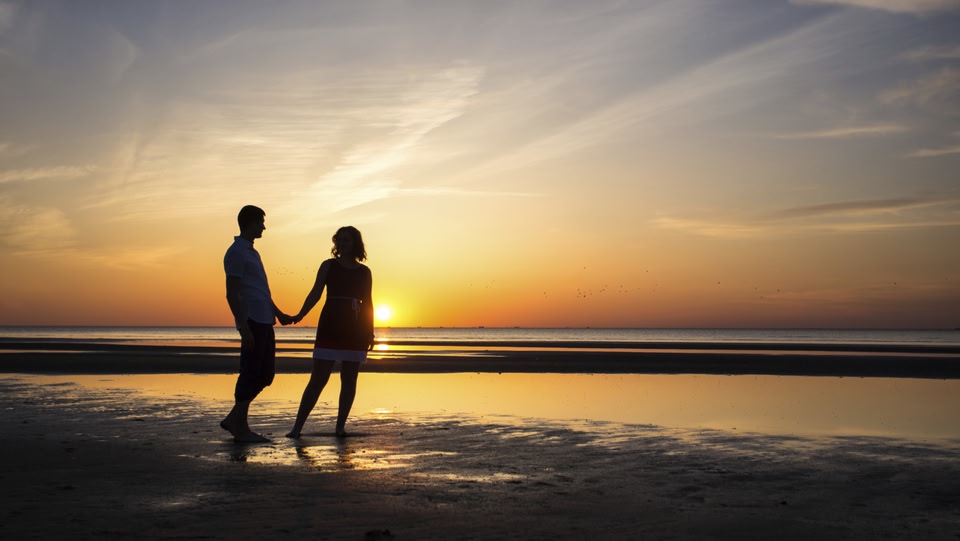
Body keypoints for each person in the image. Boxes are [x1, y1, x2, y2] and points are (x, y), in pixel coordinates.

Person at [287, 226, 375, 438]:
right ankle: (296, 428)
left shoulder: (365, 272)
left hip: (355, 328)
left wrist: (370, 331)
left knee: (350, 379)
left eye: (347, 240)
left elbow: (369, 303)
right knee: (318, 379)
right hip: (331, 324)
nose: (343, 244)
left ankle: (340, 427)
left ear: (355, 243)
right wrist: (299, 315)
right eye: (340, 240)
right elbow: (315, 293)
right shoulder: (328, 266)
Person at [221, 205, 294, 443]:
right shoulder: (236, 252)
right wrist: (243, 328)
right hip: (251, 320)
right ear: (249, 222)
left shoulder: (252, 252)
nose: (264, 226)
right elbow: (232, 293)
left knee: (265, 375)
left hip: (265, 319)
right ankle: (239, 424)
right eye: (261, 222)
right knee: (250, 373)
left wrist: (279, 313)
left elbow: (260, 290)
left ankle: (235, 417)